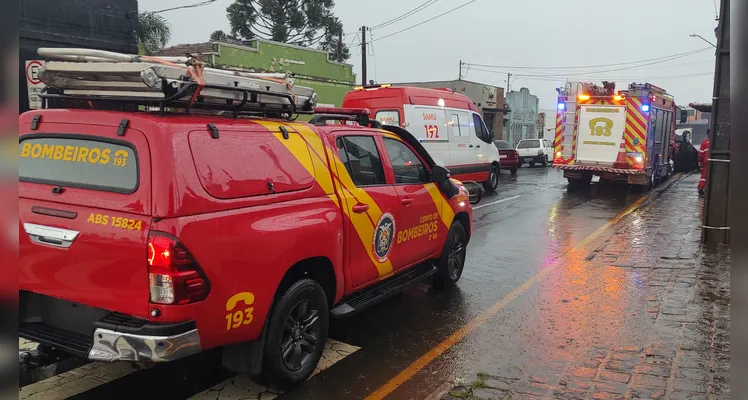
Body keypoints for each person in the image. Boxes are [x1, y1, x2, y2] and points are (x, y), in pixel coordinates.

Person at [698, 129, 711, 194]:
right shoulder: (717, 142)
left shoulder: (704, 143)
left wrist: (700, 161)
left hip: (706, 161)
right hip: (714, 161)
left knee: (704, 175)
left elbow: (700, 154)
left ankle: (701, 188)